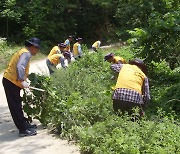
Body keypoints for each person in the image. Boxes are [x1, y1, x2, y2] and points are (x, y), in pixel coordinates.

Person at [2, 37, 41, 137]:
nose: (38, 51)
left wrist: (23, 81)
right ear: (33, 47)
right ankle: (23, 129)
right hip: (10, 81)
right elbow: (20, 67)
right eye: (37, 48)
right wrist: (22, 81)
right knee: (15, 107)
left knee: (18, 105)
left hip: (12, 82)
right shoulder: (26, 53)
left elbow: (21, 69)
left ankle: (25, 125)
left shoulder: (24, 52)